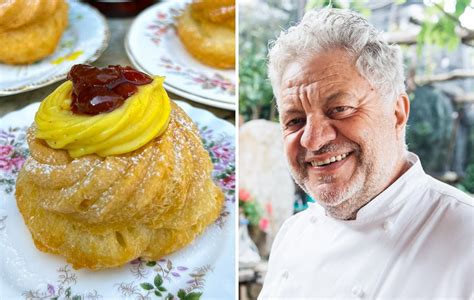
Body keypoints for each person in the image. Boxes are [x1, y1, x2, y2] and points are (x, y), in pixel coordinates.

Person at [259, 7, 473, 299]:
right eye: (295, 120)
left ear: (397, 113)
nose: (312, 140)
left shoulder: (466, 240)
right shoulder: (291, 236)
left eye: (340, 109)